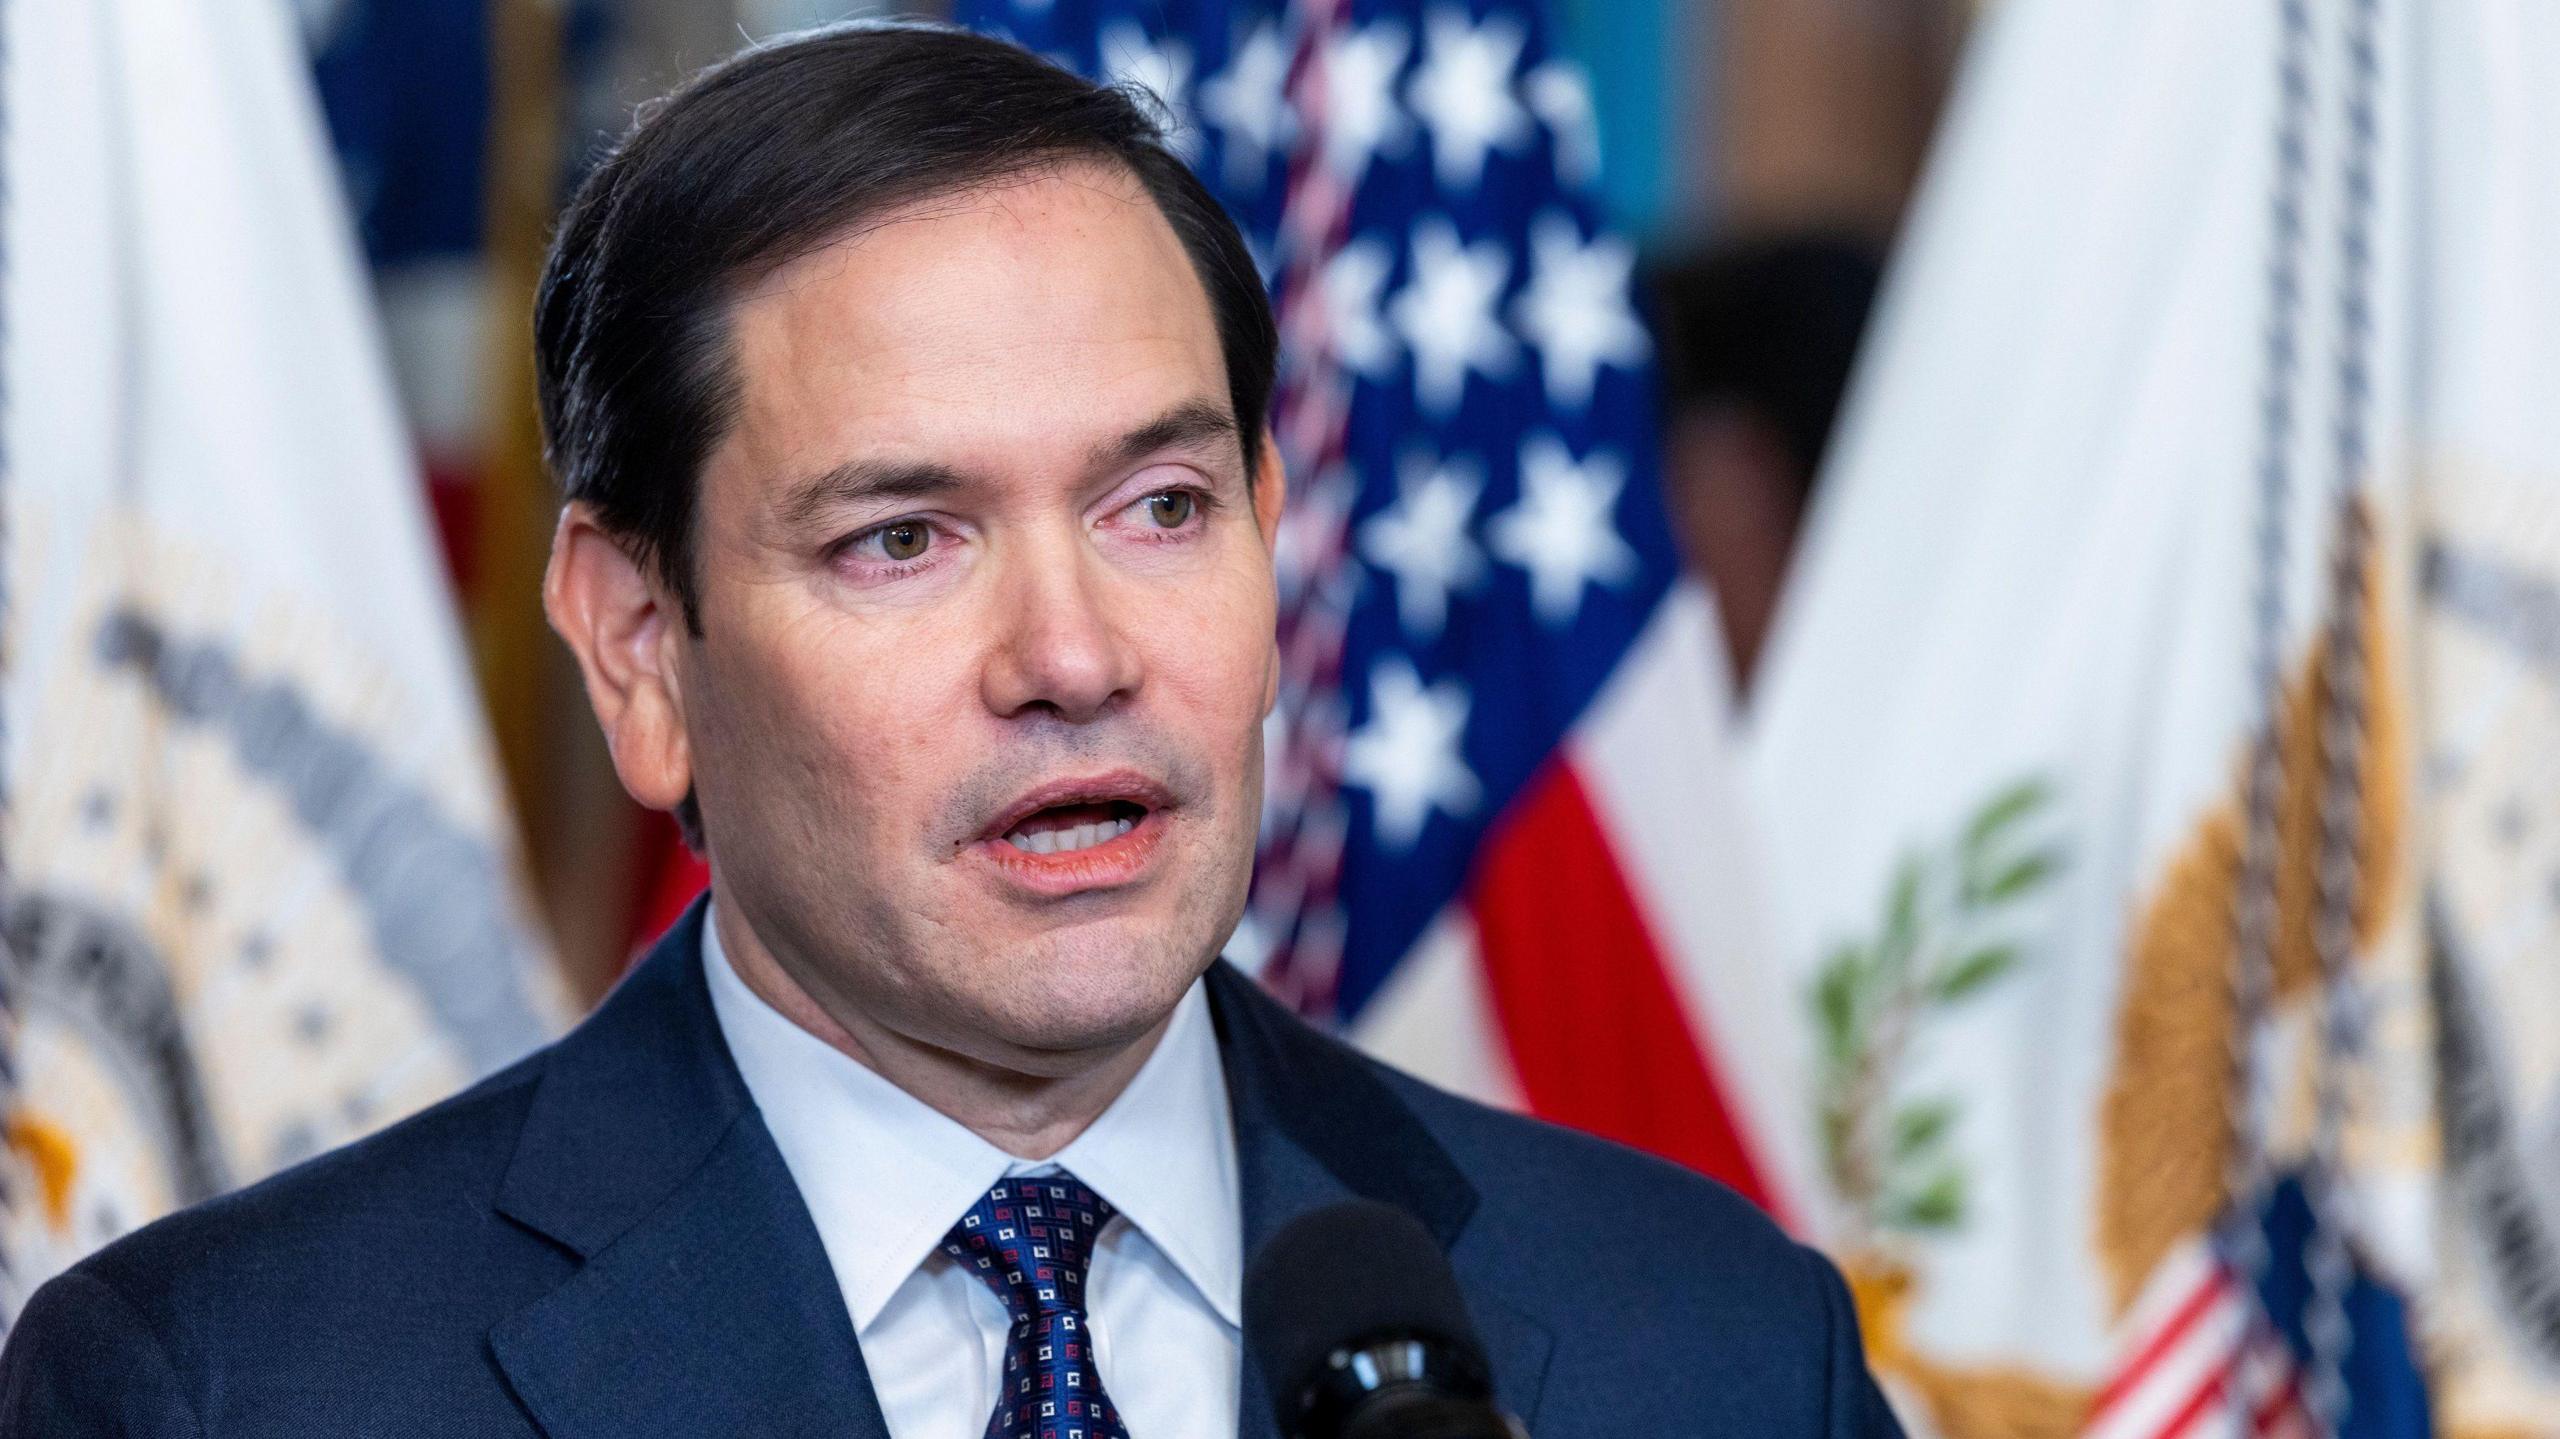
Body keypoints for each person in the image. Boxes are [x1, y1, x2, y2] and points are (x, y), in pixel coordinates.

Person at [0, 24, 1901, 1437]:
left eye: (1159, 509)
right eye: (903, 538)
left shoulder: (1716, 1350)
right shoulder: (231, 1393)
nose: (1073, 656)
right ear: (642, 642)